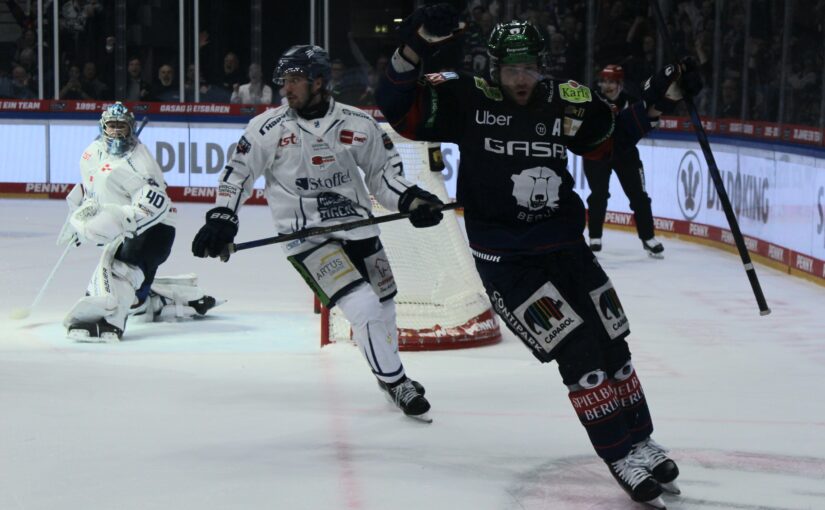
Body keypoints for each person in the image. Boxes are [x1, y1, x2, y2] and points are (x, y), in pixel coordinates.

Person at [376, 6, 700, 508]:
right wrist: (415, 44)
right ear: (494, 67)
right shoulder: (468, 96)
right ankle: (617, 452)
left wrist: (663, 94)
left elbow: (610, 139)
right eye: (511, 69)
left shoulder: (564, 100)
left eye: (529, 69)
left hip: (566, 249)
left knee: (614, 342)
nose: (520, 79)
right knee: (579, 353)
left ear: (542, 67)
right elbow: (398, 106)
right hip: (507, 261)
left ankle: (641, 441)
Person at [191, 45, 444, 422]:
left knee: (385, 305)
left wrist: (411, 201)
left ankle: (385, 373)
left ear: (320, 81)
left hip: (358, 228)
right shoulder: (267, 127)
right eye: (284, 81)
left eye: (295, 80)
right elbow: (238, 175)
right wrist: (221, 217)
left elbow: (384, 178)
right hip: (305, 236)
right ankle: (398, 382)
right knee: (363, 307)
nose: (286, 89)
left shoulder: (359, 123)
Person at [59, 102, 219, 341]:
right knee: (125, 283)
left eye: (121, 126)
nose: (115, 131)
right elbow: (89, 186)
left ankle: (109, 320)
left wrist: (118, 220)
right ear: (103, 126)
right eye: (111, 125)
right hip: (123, 229)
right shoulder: (92, 151)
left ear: (130, 127)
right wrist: (77, 217)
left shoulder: (140, 162)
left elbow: (157, 203)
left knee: (121, 270)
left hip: (156, 228)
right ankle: (155, 301)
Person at [583, 64, 663, 257]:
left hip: (626, 154)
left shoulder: (633, 102)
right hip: (597, 154)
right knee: (598, 194)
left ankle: (648, 237)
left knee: (639, 196)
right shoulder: (592, 99)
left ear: (620, 84)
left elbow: (647, 121)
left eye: (612, 82)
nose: (607, 86)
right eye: (604, 81)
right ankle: (595, 237)